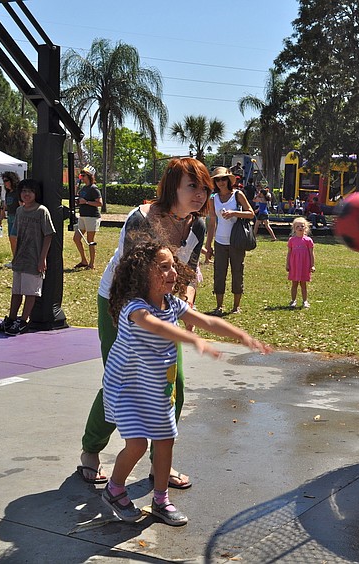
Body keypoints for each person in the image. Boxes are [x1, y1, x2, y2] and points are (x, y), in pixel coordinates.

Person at [98, 238, 271, 525]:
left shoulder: (172, 303)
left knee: (165, 441)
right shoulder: (134, 308)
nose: (172, 272)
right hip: (127, 388)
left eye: (173, 266)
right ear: (143, 275)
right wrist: (192, 339)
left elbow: (207, 321)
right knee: (138, 444)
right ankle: (115, 489)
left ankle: (161, 500)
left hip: (158, 388)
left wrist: (240, 335)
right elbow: (155, 326)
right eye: (163, 267)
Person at [78, 157, 212, 488]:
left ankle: (159, 467)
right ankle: (90, 451)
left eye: (204, 188)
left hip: (162, 306)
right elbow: (132, 277)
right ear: (172, 188)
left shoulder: (196, 225)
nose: (200, 194)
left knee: (173, 384)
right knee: (119, 384)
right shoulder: (141, 219)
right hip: (121, 303)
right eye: (192, 186)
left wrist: (187, 305)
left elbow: (188, 271)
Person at [0, 179, 55, 336]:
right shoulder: (19, 211)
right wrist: (15, 255)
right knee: (16, 290)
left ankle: (23, 321)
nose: (27, 194)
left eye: (30, 191)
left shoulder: (42, 211)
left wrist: (42, 258)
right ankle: (11, 319)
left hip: (34, 258)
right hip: (20, 257)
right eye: (24, 191)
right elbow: (16, 235)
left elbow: (48, 235)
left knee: (30, 291)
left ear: (35, 194)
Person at [204, 166, 255, 315]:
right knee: (219, 273)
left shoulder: (237, 195)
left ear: (228, 180)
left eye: (223, 179)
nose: (220, 182)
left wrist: (234, 213)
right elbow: (212, 223)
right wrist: (208, 247)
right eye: (217, 180)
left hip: (236, 241)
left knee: (237, 271)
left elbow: (251, 213)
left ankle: (236, 306)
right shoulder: (213, 199)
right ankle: (219, 306)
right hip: (220, 242)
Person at [74, 165, 103, 269]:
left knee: (90, 240)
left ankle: (91, 263)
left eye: (83, 175)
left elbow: (100, 203)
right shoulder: (83, 188)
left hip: (92, 217)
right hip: (82, 216)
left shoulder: (94, 189)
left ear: (89, 176)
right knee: (76, 238)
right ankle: (84, 260)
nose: (81, 176)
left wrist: (86, 202)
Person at [286, 217, 315, 308]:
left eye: (302, 226)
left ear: (305, 228)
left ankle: (305, 301)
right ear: (294, 228)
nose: (300, 228)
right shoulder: (292, 240)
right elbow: (289, 253)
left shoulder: (308, 240)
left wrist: (312, 265)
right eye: (297, 226)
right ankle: (293, 300)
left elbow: (311, 254)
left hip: (304, 265)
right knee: (294, 283)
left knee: (303, 283)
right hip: (294, 265)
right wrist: (287, 264)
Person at [0, 171, 21, 266]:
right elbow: (5, 207)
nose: (5, 183)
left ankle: (18, 260)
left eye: (6, 180)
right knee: (11, 239)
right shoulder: (8, 193)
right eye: (3, 181)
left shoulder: (18, 192)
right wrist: (0, 220)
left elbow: (21, 206)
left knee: (14, 237)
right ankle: (15, 259)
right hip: (10, 218)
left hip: (17, 217)